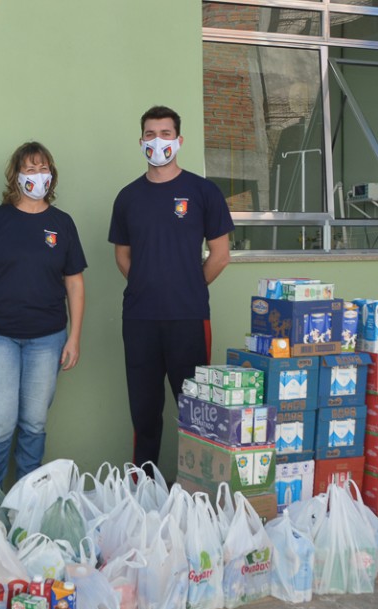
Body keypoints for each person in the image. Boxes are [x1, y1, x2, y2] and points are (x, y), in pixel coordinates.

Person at [109, 105, 234, 473]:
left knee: (194, 412)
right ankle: (144, 490)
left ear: (179, 141)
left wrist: (187, 285)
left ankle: (194, 493)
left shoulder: (202, 191)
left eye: (165, 134)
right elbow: (122, 255)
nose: (158, 141)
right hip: (140, 319)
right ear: (141, 141)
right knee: (144, 415)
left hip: (189, 317)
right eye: (150, 134)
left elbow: (221, 255)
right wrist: (150, 285)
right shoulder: (128, 197)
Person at [0, 141, 86, 486]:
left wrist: (74, 336)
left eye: (43, 169)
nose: (37, 176)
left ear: (52, 175)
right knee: (0, 422)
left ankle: (27, 504)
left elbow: (74, 283)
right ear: (16, 177)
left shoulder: (62, 223)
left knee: (33, 423)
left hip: (47, 338)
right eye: (29, 170)